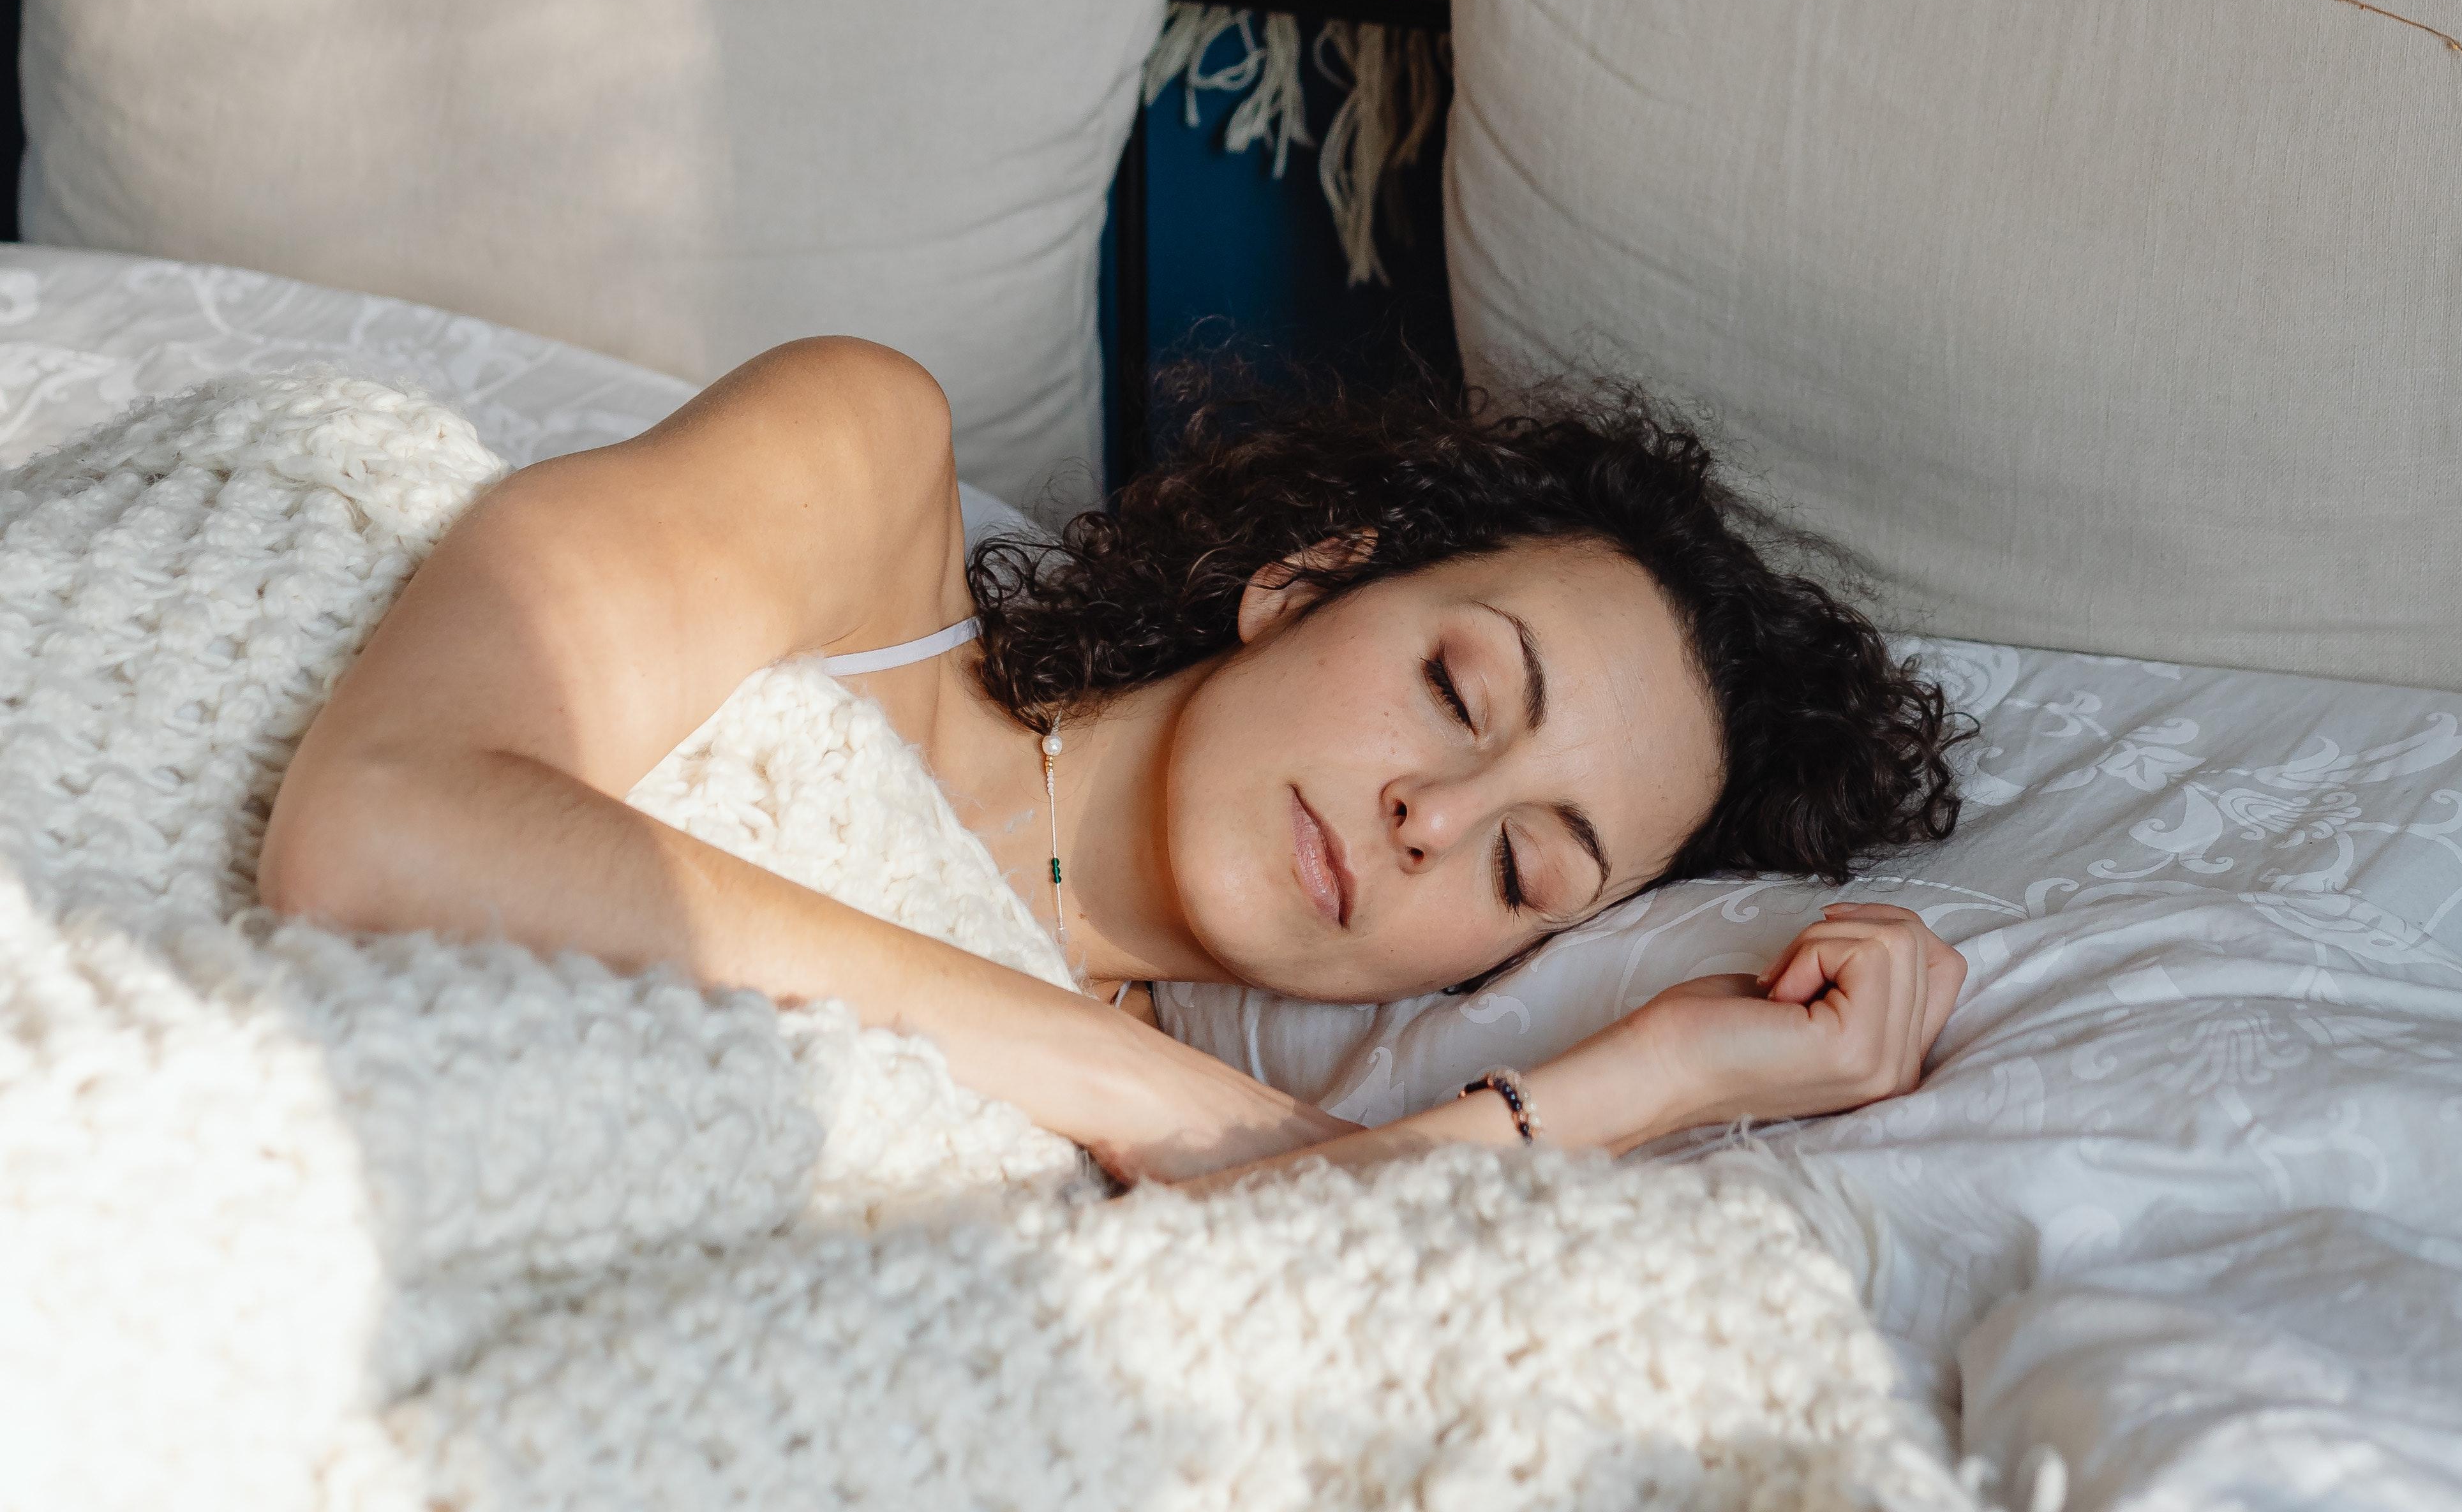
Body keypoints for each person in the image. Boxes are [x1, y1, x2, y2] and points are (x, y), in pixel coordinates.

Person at [260, 341, 1970, 1185]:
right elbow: (376, 820)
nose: (1434, 822)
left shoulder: (1144, 1135)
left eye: (1522, 871)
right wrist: (1168, 1109)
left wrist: (1660, 1074)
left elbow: (1287, 1294)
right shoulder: (863, 465)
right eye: (1457, 692)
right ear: (1306, 577)